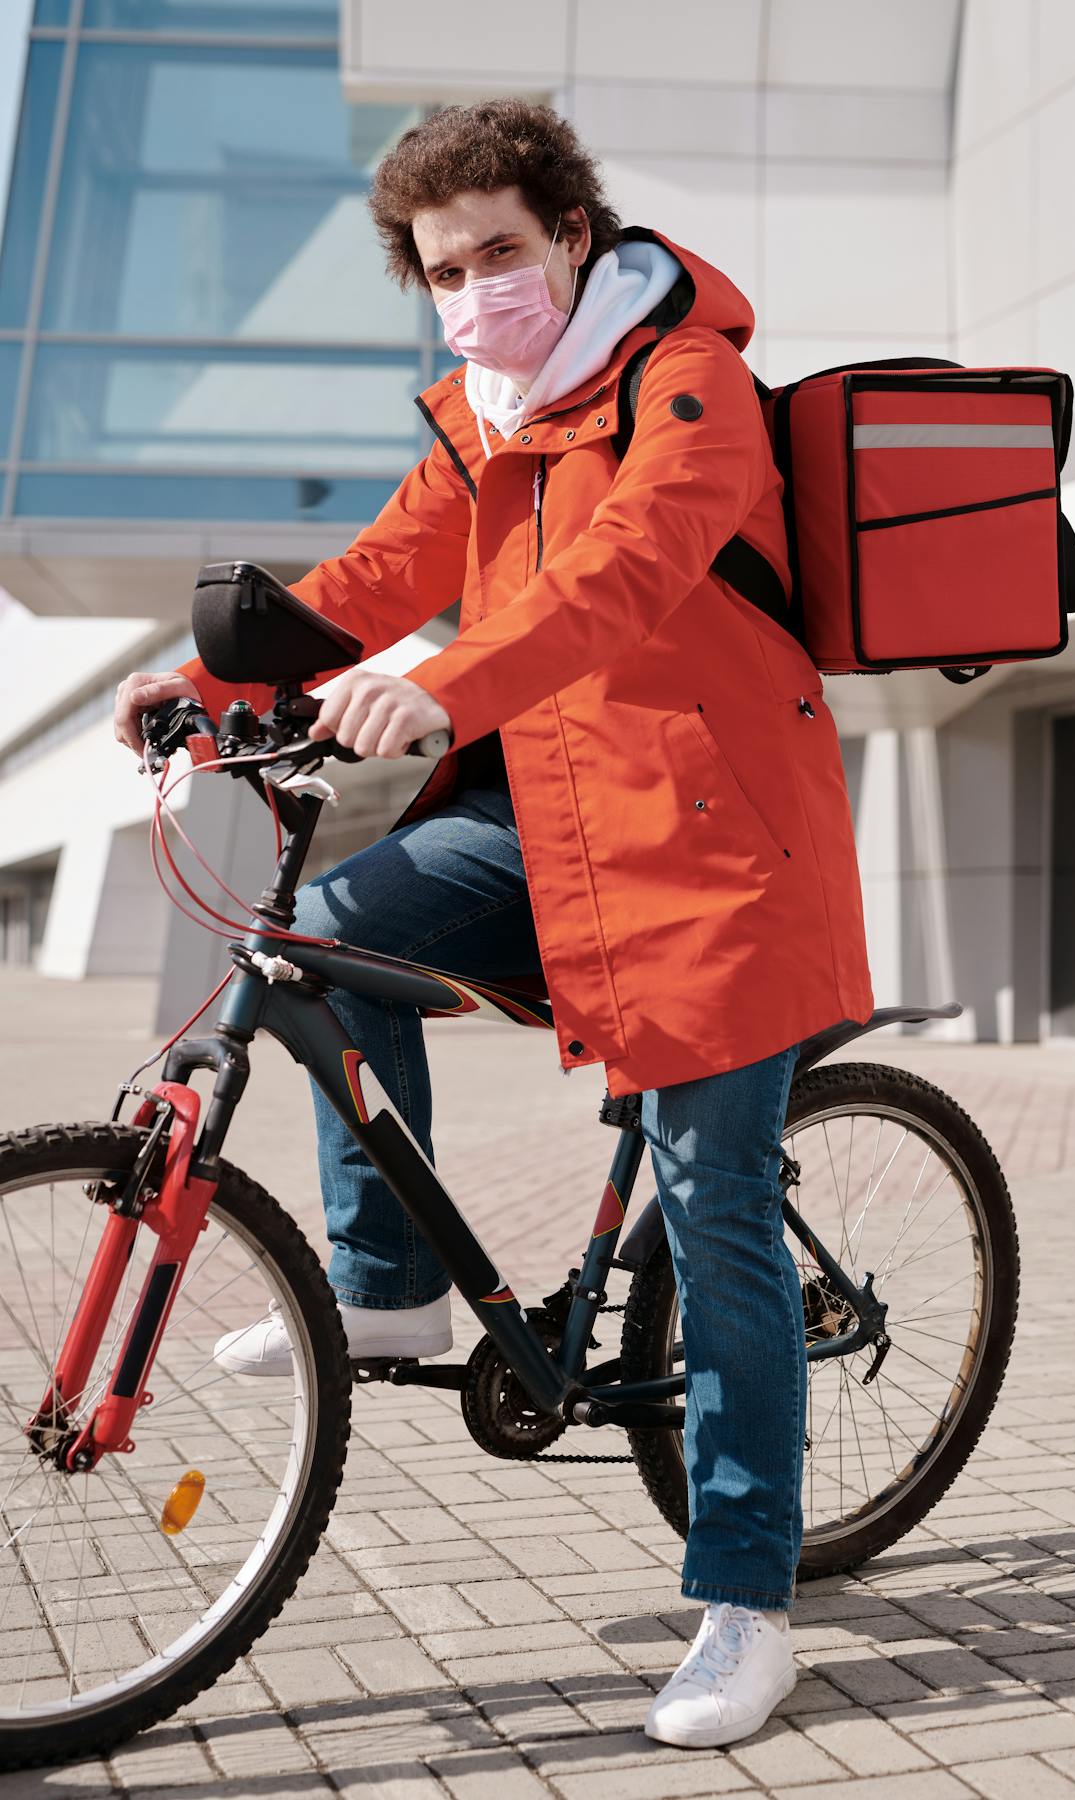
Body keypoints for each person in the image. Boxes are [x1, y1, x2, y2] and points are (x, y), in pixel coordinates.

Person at [113, 99, 873, 1749]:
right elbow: (381, 574)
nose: (474, 291)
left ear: (573, 238)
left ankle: (747, 1598)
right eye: (444, 269)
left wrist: (438, 685)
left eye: (502, 253)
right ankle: (388, 1290)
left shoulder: (689, 382)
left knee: (714, 1193)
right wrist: (208, 683)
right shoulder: (486, 404)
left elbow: (628, 571)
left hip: (718, 839)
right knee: (328, 934)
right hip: (554, 822)